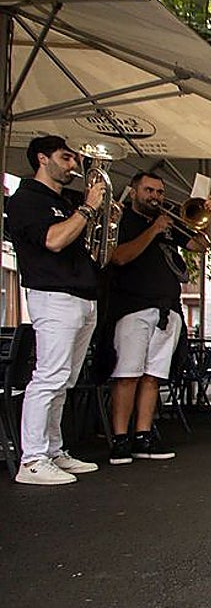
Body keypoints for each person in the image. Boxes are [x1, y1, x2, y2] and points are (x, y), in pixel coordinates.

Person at [6, 136, 106, 485]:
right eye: (66, 158)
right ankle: (32, 459)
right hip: (53, 294)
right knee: (48, 376)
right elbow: (54, 240)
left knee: (64, 379)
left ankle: (52, 449)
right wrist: (89, 208)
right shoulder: (25, 199)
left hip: (81, 294)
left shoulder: (62, 201)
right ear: (42, 158)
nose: (73, 166)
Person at [106, 172, 211, 465]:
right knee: (127, 375)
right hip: (132, 307)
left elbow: (199, 245)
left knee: (153, 377)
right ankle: (119, 439)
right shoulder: (122, 221)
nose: (155, 196)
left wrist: (208, 218)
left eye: (159, 192)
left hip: (167, 310)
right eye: (149, 190)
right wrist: (153, 230)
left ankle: (143, 435)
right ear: (133, 192)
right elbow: (119, 257)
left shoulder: (168, 223)